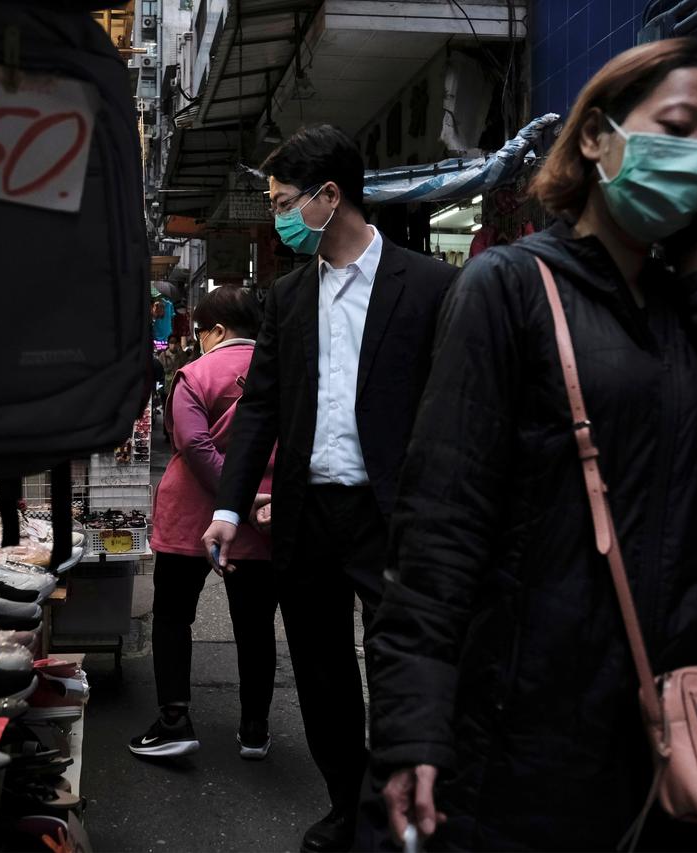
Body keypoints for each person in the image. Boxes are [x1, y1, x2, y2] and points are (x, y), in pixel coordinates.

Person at [367, 38, 697, 851]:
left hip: (690, 714)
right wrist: (412, 724)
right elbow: (441, 526)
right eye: (678, 126)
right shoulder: (508, 287)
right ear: (598, 136)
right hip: (535, 726)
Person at [201, 125, 459, 853]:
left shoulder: (431, 286)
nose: (279, 215)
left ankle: (399, 808)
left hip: (392, 515)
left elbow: (450, 405)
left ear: (330, 196)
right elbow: (261, 408)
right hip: (307, 514)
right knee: (320, 673)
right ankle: (348, 803)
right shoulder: (286, 298)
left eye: (285, 201)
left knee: (400, 666)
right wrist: (228, 505)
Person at [131, 286, 279, 760]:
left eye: (201, 332)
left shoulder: (194, 374)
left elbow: (193, 445)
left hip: (189, 517)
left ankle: (175, 720)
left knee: (174, 615)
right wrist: (252, 498)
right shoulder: (284, 373)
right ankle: (254, 728)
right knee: (256, 625)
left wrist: (229, 496)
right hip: (262, 515)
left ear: (215, 331)